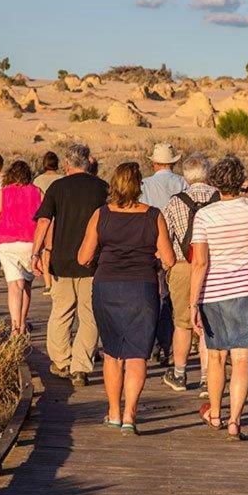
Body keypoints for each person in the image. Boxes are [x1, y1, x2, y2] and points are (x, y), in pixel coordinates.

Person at [78, 162, 176, 436]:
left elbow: (83, 257)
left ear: (114, 185)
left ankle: (113, 412)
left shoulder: (101, 215)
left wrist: (98, 264)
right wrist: (153, 264)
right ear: (139, 187)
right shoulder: (153, 216)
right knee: (136, 356)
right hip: (142, 289)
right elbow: (168, 259)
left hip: (107, 287)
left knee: (112, 353)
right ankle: (130, 416)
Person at [190, 155, 248, 441]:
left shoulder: (205, 216)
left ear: (215, 185)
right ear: (240, 182)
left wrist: (193, 301)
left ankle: (215, 413)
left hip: (216, 292)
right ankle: (235, 421)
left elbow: (199, 263)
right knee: (243, 357)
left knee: (216, 356)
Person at [31, 144, 108, 387]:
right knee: (89, 315)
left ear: (67, 164)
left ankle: (62, 361)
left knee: (61, 311)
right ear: (89, 162)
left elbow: (43, 221)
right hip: (93, 261)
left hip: (61, 260)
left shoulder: (57, 186)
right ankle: (81, 368)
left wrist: (36, 253)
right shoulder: (102, 188)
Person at [161, 154, 218, 395]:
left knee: (182, 323)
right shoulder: (220, 198)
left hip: (184, 266)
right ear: (208, 173)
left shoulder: (176, 202)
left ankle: (180, 374)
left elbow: (166, 235)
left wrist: (168, 265)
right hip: (215, 265)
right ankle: (207, 378)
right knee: (208, 324)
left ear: (185, 176)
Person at [0, 160, 43, 336]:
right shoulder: (37, 192)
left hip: (7, 244)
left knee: (15, 285)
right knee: (26, 284)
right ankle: (22, 324)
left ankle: (15, 328)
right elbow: (45, 219)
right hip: (31, 243)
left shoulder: (3, 194)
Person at [138, 142, 189, 365]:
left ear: (154, 162)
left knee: (150, 297)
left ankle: (147, 343)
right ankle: (165, 346)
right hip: (178, 250)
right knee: (170, 299)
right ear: (173, 163)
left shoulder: (145, 184)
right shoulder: (182, 182)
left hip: (151, 248)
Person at [33, 151, 62, 295]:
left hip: (44, 218)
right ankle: (59, 279)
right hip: (61, 218)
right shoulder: (63, 179)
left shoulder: (38, 180)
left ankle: (48, 283)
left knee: (46, 249)